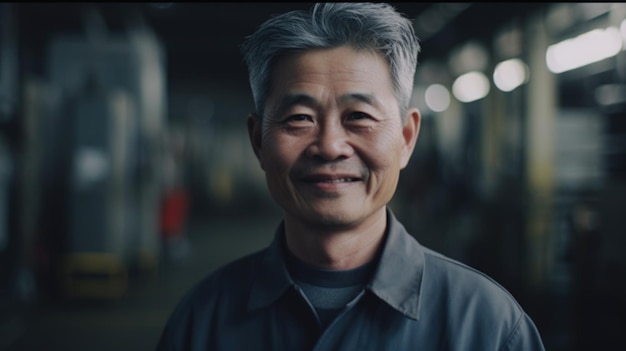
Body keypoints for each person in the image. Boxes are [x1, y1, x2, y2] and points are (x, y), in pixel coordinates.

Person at [156, 3, 546, 350]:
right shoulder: (201, 323)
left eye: (358, 117)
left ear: (406, 138)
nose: (330, 146)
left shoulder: (488, 327)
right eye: (299, 119)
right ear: (258, 141)